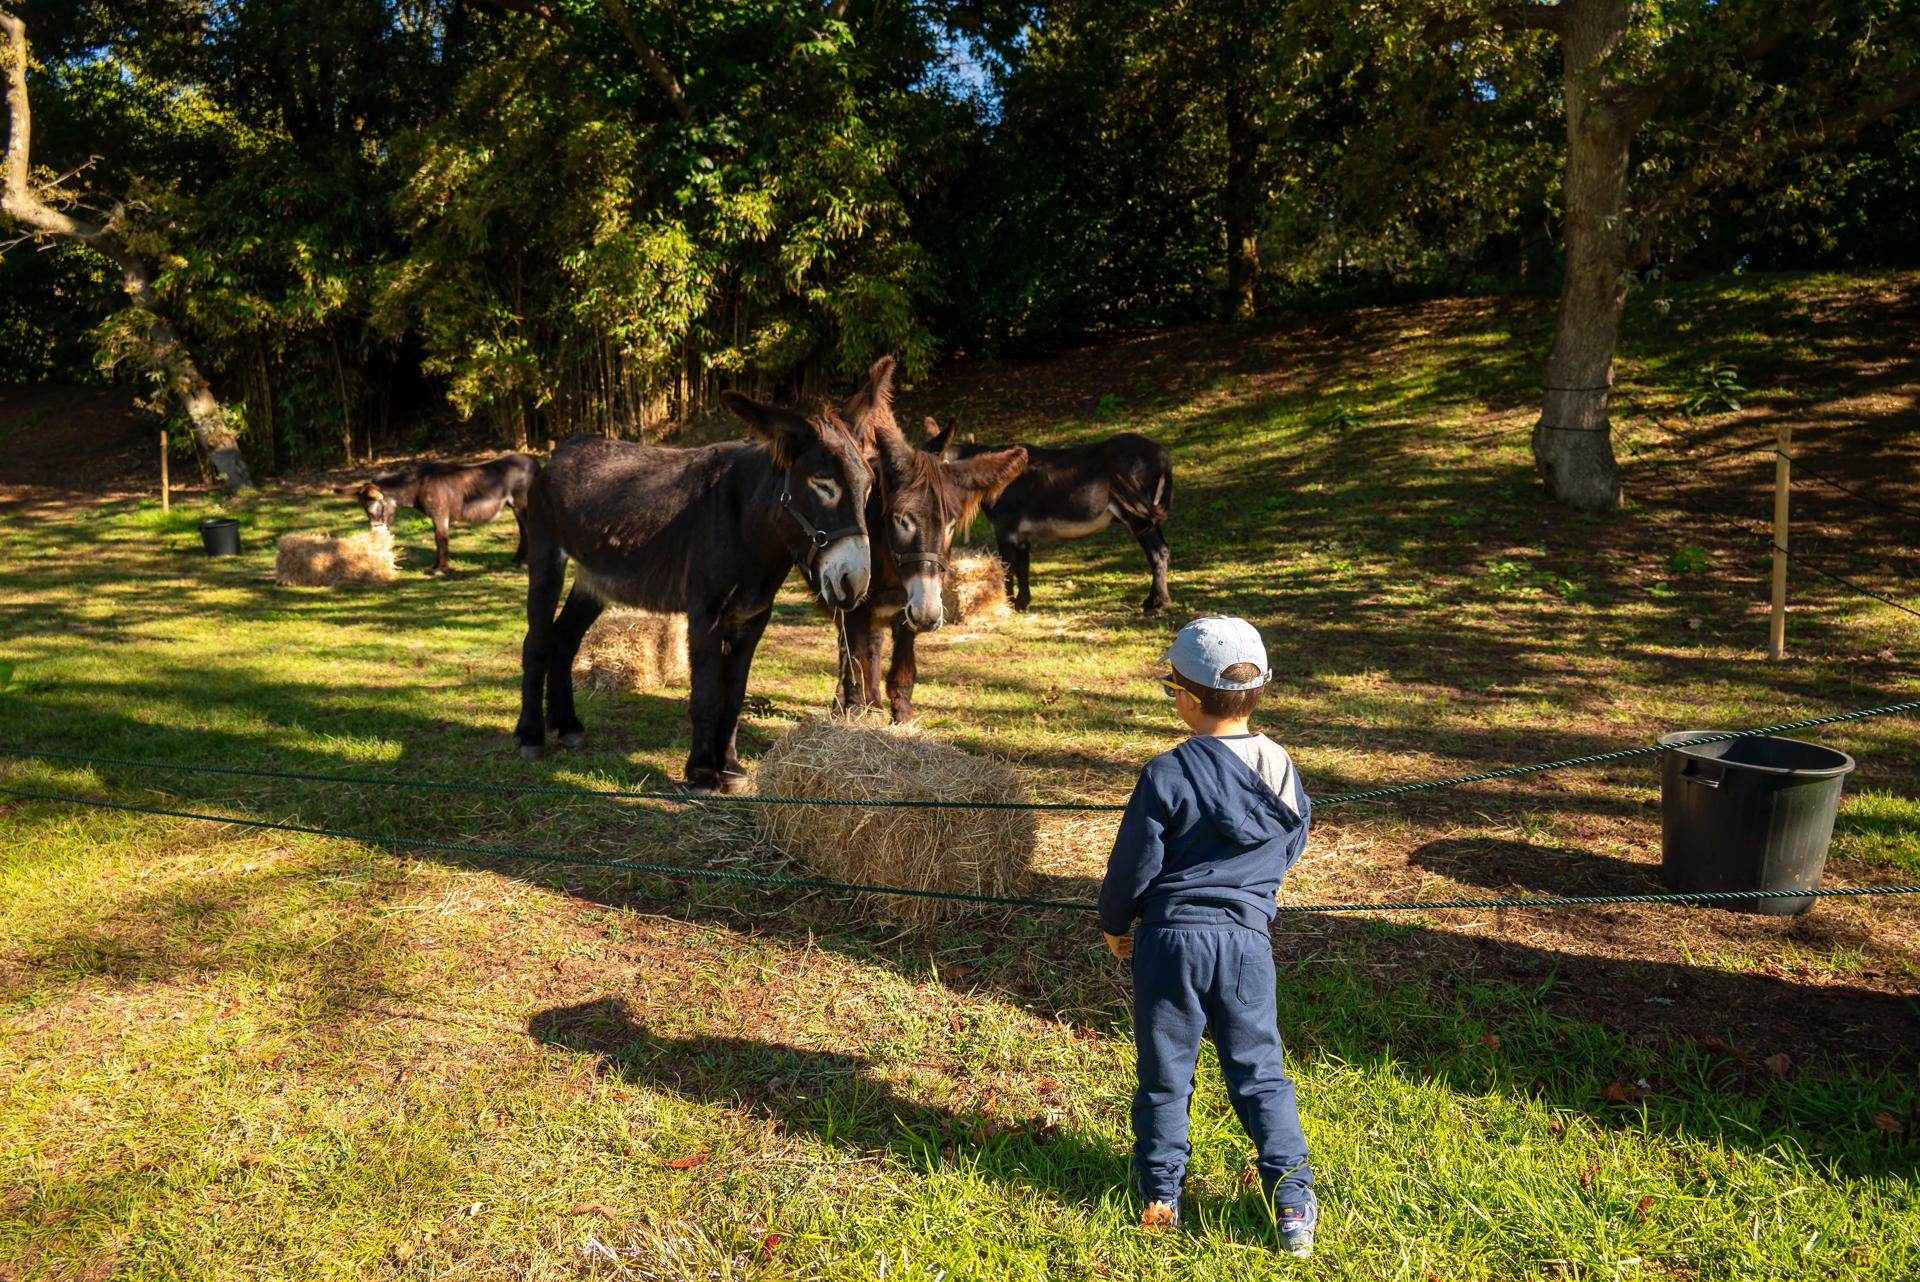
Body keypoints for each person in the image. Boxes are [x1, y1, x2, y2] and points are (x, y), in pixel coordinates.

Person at [1098, 615, 1318, 1257]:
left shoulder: (1166, 772)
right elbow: (1294, 840)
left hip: (1169, 943)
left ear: (1187, 698)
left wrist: (1116, 925)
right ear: (1258, 693)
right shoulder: (1281, 767)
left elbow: (1132, 865)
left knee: (1167, 1072)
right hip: (1247, 943)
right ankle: (1294, 1199)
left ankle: (1160, 1194)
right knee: (1260, 1072)